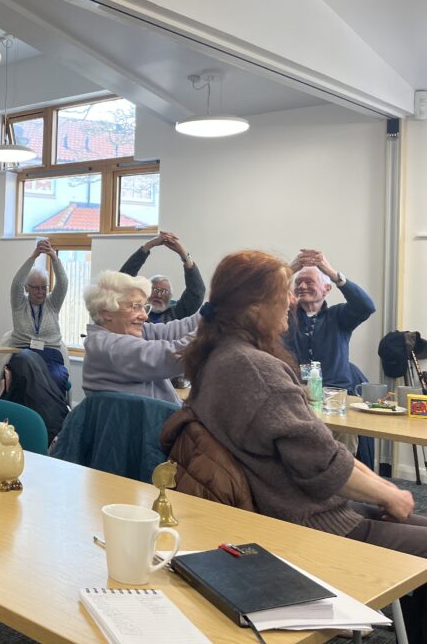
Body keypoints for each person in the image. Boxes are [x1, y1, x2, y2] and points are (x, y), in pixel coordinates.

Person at [177, 250, 427, 643]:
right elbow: (323, 466)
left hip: (291, 508)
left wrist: (387, 490)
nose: (292, 299)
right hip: (306, 522)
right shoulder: (255, 368)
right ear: (255, 307)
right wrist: (390, 495)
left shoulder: (218, 357)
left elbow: (324, 449)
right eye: (285, 292)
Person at [82, 270, 198, 404]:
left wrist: (211, 311)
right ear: (107, 313)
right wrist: (207, 333)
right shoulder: (109, 346)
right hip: (149, 418)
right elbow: (171, 357)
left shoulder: (124, 332)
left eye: (144, 307)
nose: (145, 316)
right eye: (136, 307)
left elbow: (170, 331)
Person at [284, 248, 375, 391]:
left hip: (335, 392)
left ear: (326, 289)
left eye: (309, 282)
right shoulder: (284, 317)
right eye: (298, 282)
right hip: (297, 391)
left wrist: (333, 274)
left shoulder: (338, 316)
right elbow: (257, 300)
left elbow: (366, 306)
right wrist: (287, 272)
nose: (302, 286)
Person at [9, 240, 70, 388]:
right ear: (27, 288)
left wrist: (53, 256)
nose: (41, 292)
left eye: (44, 287)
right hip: (23, 352)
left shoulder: (52, 303)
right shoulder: (19, 304)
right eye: (36, 288)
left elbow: (63, 283)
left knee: (57, 378)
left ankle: (53, 404)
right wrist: (33, 256)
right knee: (26, 374)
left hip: (50, 354)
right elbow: (16, 283)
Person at [119, 230, 205, 323]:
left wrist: (183, 253)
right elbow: (123, 282)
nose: (159, 295)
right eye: (154, 290)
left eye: (164, 291)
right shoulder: (134, 310)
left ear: (170, 296)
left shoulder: (177, 313)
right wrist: (149, 245)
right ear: (146, 292)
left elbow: (197, 291)